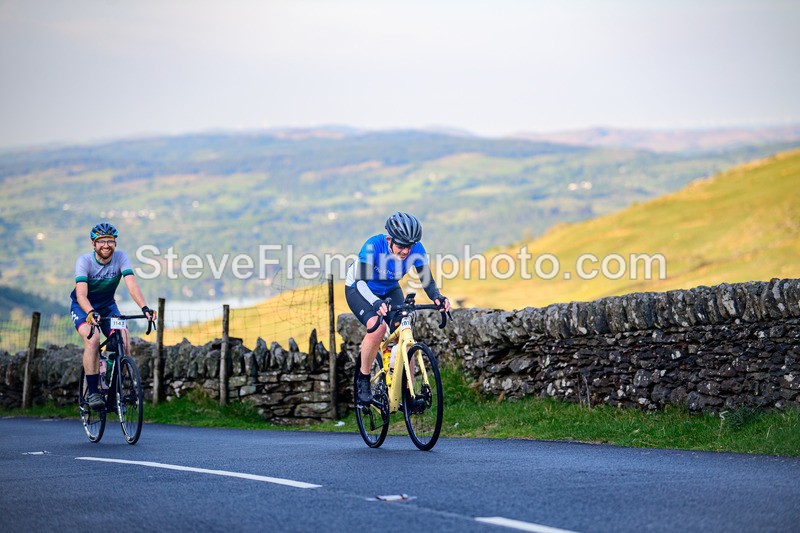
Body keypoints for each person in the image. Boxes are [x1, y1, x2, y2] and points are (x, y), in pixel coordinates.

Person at [345, 212, 450, 404]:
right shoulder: (372, 246)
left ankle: (409, 394)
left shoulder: (416, 249)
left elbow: (426, 280)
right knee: (378, 328)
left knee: (404, 332)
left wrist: (438, 298)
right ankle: (364, 379)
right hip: (359, 289)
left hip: (389, 288)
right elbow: (360, 283)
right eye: (401, 246)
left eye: (409, 246)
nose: (405, 251)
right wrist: (375, 303)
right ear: (389, 240)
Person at [69, 222, 156, 409]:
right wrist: (90, 312)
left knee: (124, 341)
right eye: (101, 241)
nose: (106, 245)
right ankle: (93, 392)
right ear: (93, 244)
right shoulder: (85, 261)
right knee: (93, 340)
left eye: (110, 241)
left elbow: (131, 285)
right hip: (83, 307)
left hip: (108, 307)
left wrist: (145, 308)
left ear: (115, 243)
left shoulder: (121, 257)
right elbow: (81, 294)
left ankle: (116, 390)